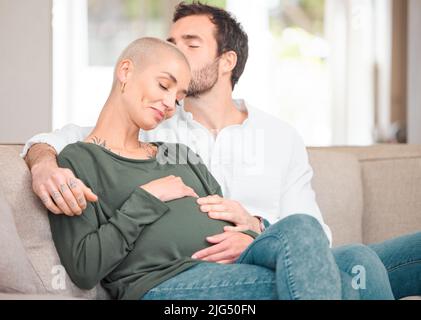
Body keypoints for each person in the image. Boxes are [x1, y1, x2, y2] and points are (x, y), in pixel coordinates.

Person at [22, 2, 420, 299]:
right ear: (128, 71)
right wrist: (43, 162)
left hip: (254, 257)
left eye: (190, 45)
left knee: (335, 247)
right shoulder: (83, 154)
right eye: (164, 80)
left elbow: (302, 233)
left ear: (226, 60)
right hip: (169, 285)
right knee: (350, 271)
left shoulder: (187, 150)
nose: (169, 101)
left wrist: (252, 229)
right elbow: (74, 146)